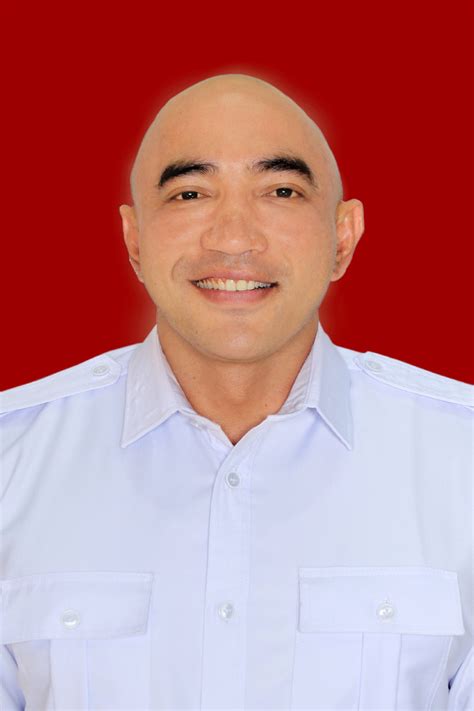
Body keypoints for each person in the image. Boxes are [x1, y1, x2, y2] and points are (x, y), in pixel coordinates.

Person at [0, 73, 472, 711]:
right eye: (190, 193)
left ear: (343, 237)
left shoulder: (460, 458)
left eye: (281, 191)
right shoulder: (12, 458)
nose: (232, 237)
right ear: (135, 241)